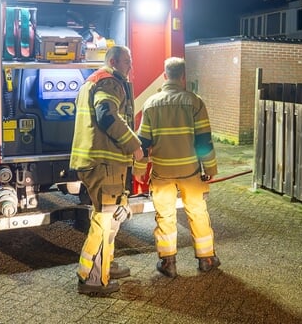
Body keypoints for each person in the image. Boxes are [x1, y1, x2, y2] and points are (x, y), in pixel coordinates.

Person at [134, 57, 220, 278]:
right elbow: (203, 140)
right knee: (198, 213)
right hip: (190, 172)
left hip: (162, 172)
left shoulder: (151, 104)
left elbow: (143, 143)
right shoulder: (195, 102)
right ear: (183, 77)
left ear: (165, 76)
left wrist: (139, 170)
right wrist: (210, 169)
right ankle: (206, 259)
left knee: (165, 216)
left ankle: (168, 263)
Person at [70, 45, 143, 296]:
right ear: (113, 62)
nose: (130, 66)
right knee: (104, 219)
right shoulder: (109, 83)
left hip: (99, 161)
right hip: (105, 163)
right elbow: (106, 116)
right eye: (127, 61)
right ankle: (91, 277)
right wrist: (134, 144)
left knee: (110, 219)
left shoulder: (91, 81)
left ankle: (105, 267)